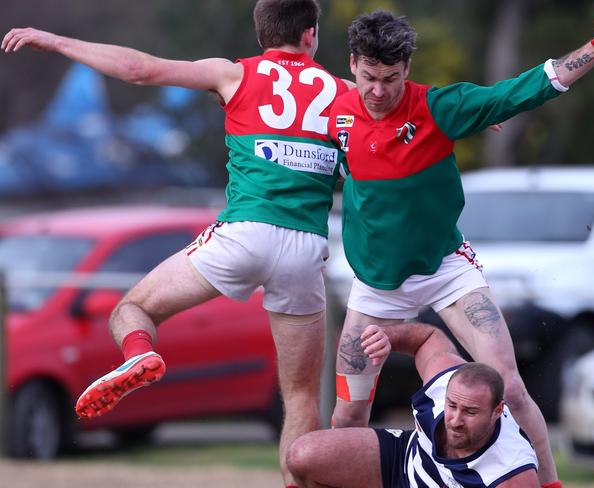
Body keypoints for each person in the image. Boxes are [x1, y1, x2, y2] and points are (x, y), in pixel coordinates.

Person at [2, 1, 352, 485]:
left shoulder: (233, 74)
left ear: (261, 34)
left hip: (244, 234)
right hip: (306, 248)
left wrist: (59, 41)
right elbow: (417, 116)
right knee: (299, 396)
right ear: (311, 35)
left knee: (132, 310)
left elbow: (139, 69)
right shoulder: (348, 92)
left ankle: (140, 352)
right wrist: (487, 111)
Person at [326, 1, 594, 486]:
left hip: (445, 270)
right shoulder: (333, 113)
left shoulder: (440, 107)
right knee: (347, 418)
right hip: (375, 287)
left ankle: (549, 482)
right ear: (352, 64)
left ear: (407, 69)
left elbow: (524, 91)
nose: (378, 90)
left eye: (390, 78)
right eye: (369, 76)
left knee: (512, 389)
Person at [288, 323, 542, 487]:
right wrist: (387, 337)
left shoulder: (513, 472)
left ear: (497, 411)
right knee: (302, 455)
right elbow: (428, 338)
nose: (455, 419)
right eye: (452, 405)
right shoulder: (443, 380)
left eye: (471, 412)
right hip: (407, 460)